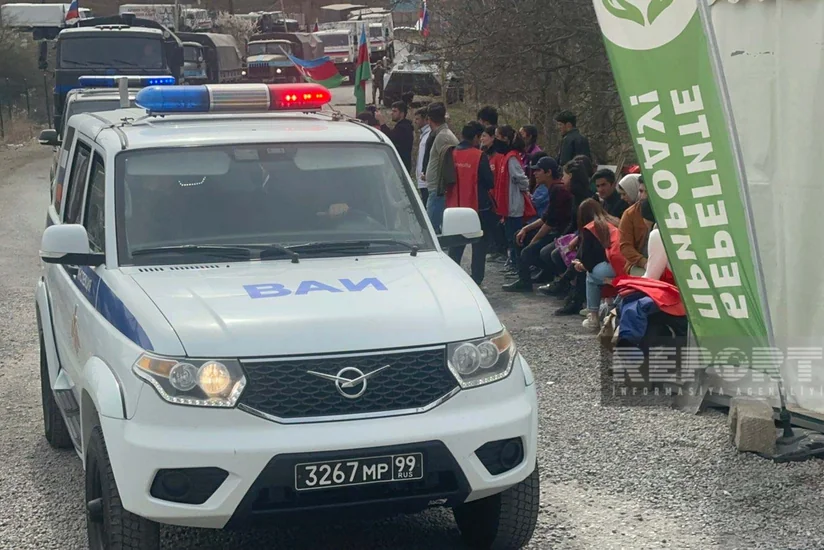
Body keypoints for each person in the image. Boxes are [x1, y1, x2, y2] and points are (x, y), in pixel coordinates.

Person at [502, 156, 571, 292]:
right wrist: (525, 229)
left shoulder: (558, 190)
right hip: (553, 230)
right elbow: (546, 217)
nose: (534, 173)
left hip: (561, 234)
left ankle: (531, 280)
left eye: (538, 170)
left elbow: (550, 223)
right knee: (520, 235)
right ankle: (526, 278)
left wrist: (534, 240)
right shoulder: (552, 188)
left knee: (528, 252)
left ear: (548, 172)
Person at [446, 122, 495, 285]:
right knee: (479, 245)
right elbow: (489, 182)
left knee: (456, 244)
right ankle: (476, 278)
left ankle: (452, 276)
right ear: (475, 137)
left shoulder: (451, 153)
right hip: (477, 206)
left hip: (454, 206)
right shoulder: (479, 155)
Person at [570, 199, 622, 330]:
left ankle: (593, 316)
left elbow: (588, 258)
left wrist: (580, 265)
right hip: (626, 265)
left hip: (612, 267)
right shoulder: (614, 221)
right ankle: (609, 304)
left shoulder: (592, 227)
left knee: (591, 276)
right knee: (600, 272)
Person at [492, 125, 533, 283]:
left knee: (515, 238)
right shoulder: (507, 156)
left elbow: (520, 177)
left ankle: (520, 269)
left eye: (498, 136)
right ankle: (516, 266)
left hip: (514, 205)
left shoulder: (512, 158)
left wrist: (525, 190)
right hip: (509, 206)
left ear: (506, 139)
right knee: (511, 237)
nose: (496, 140)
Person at [423, 102, 458, 233]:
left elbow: (449, 163)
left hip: (438, 190)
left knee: (432, 229)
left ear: (429, 119)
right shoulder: (441, 134)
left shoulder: (444, 137)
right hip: (435, 189)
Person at [619, 177, 651, 276]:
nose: (643, 196)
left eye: (647, 192)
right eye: (641, 191)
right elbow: (625, 247)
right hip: (639, 265)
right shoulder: (630, 214)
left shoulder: (670, 212)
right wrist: (644, 263)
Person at [377, 101, 414, 173]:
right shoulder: (402, 126)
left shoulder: (403, 128)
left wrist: (381, 122)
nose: (392, 113)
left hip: (401, 166)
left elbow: (390, 138)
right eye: (392, 110)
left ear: (402, 113)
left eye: (395, 111)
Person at [414, 106, 430, 204]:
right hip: (422, 179)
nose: (415, 121)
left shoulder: (430, 135)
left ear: (426, 119)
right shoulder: (423, 134)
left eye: (417, 119)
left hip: (426, 180)